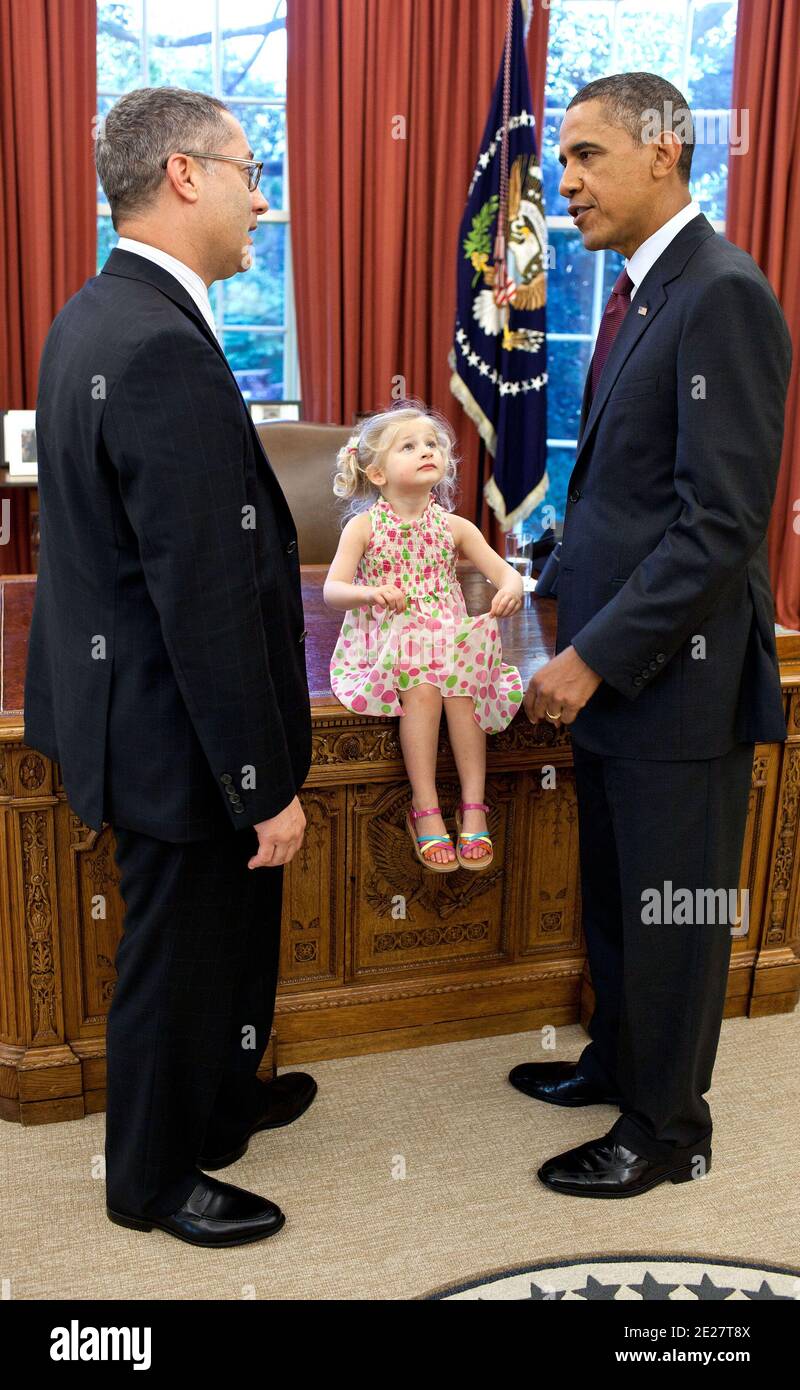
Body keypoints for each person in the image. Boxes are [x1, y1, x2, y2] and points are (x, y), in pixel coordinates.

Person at [23, 86, 317, 1247]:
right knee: (178, 951)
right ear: (186, 175)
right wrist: (263, 786)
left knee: (231, 937)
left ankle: (225, 1099)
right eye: (251, 169)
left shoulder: (102, 313)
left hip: (138, 707)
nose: (265, 197)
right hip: (174, 725)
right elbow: (197, 595)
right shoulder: (152, 343)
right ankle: (149, 1178)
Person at [511, 72, 792, 1197]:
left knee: (673, 917)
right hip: (623, 671)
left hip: (673, 682)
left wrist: (587, 655)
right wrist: (533, 580)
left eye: (583, 157)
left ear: (665, 151)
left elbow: (716, 525)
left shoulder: (719, 291)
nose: (563, 183)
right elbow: (625, 499)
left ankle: (668, 1132)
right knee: (617, 896)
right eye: (560, 163)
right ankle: (619, 1063)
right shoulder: (641, 288)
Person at [324, 401, 524, 871]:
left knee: (463, 688)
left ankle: (473, 803)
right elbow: (333, 590)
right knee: (425, 686)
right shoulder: (364, 527)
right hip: (389, 640)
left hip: (445, 639)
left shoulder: (456, 527)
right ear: (376, 474)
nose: (426, 451)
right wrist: (370, 592)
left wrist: (511, 589)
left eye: (432, 444)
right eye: (409, 446)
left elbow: (505, 574)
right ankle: (426, 805)